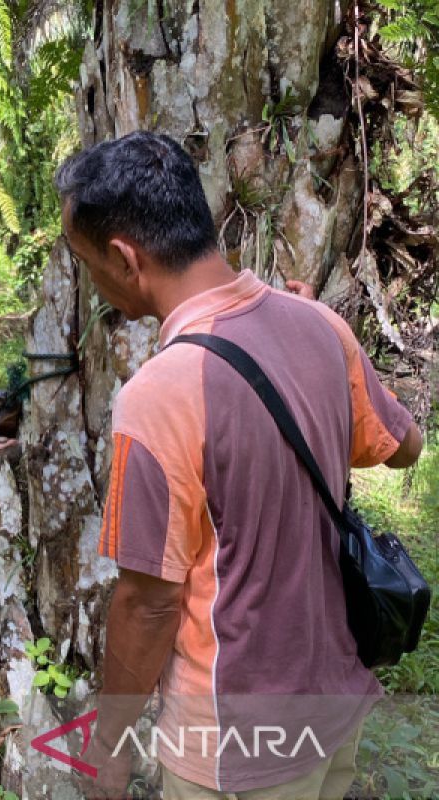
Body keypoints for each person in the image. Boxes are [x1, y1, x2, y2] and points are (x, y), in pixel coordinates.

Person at [54, 132, 424, 800]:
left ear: (123, 258)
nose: (94, 281)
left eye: (87, 264)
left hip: (237, 748)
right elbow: (408, 447)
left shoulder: (160, 396)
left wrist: (109, 747)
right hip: (333, 704)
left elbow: (147, 603)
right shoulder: (320, 327)